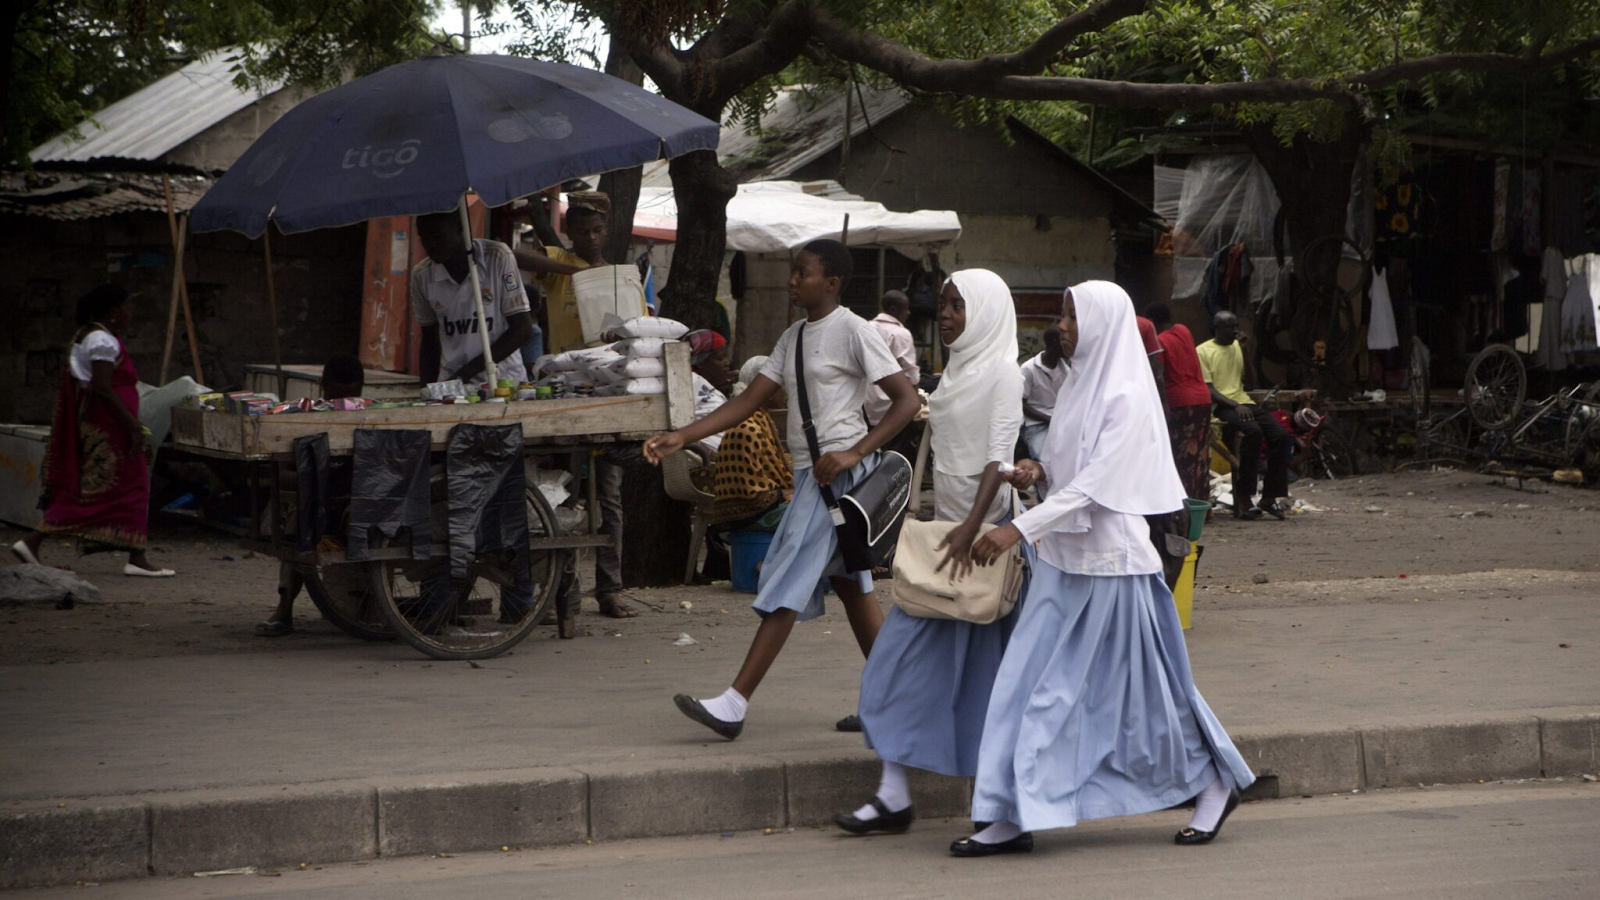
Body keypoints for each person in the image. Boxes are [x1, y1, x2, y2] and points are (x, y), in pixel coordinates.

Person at [953, 281, 1254, 858]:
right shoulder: (1078, 386)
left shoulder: (1127, 397)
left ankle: (1214, 783)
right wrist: (1036, 473)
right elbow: (1073, 472)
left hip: (1112, 569)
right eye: (1063, 315)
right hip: (1064, 562)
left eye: (1072, 315)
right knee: (1023, 687)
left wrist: (1018, 527)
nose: (1061, 326)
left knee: (1152, 697)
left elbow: (1100, 485)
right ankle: (1007, 812)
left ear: (1102, 324)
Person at [644, 239, 919, 740]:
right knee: (851, 588)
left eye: (802, 273)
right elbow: (750, 399)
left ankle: (734, 703)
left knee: (786, 579)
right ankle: (896, 703)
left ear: (831, 283)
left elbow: (906, 401)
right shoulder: (793, 336)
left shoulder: (856, 331)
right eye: (793, 272)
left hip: (838, 479)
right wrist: (683, 435)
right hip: (811, 475)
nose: (792, 280)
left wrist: (856, 452)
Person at [835, 269, 1034, 837]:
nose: (945, 316)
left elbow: (998, 460)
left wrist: (970, 529)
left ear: (988, 313)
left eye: (958, 306)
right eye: (944, 305)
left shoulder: (1001, 373)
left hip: (984, 553)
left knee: (998, 693)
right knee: (894, 670)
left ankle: (1006, 813)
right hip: (948, 546)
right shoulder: (959, 372)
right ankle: (893, 796)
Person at [516, 189, 642, 618]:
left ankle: (610, 590)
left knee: (609, 496)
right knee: (558, 495)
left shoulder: (620, 276)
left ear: (606, 232)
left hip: (606, 395)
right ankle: (558, 591)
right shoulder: (556, 264)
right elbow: (514, 256)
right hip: (562, 395)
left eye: (596, 230)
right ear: (569, 232)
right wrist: (566, 269)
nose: (589, 237)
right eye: (581, 230)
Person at [12, 286, 174, 577]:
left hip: (107, 424)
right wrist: (132, 424)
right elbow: (103, 388)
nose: (129, 314)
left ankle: (136, 555)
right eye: (125, 308)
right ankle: (35, 539)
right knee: (106, 489)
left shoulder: (91, 335)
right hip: (109, 428)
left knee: (132, 487)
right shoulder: (101, 340)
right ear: (113, 311)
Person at [254, 355, 364, 636]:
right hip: (317, 503)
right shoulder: (305, 420)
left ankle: (366, 603)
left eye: (348, 398)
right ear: (323, 388)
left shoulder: (370, 418)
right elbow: (287, 473)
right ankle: (284, 607)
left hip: (355, 504)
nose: (340, 405)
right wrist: (311, 479)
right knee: (297, 524)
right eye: (334, 397)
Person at [411, 212, 534, 386]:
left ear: (460, 229)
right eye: (424, 238)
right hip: (453, 385)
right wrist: (426, 391)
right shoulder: (422, 276)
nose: (430, 245)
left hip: (503, 382)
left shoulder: (498, 257)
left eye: (438, 236)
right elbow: (429, 342)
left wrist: (466, 373)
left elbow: (522, 329)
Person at [1197, 311, 1289, 520]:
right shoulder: (1202, 351)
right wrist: (1235, 406)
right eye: (1230, 327)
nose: (1235, 331)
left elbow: (1251, 383)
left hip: (1243, 401)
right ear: (1217, 328)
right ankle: (1244, 496)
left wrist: (1246, 352)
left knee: (1280, 435)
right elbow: (1209, 389)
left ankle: (1269, 497)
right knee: (1252, 432)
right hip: (1221, 405)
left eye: (1236, 326)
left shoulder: (1238, 347)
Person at [1146, 303, 1214, 506]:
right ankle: (1202, 506)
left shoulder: (1159, 342)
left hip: (1180, 402)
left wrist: (1162, 405)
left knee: (1180, 458)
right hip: (1202, 399)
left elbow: (1158, 373)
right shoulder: (1183, 330)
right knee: (1200, 457)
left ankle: (1182, 507)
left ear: (1152, 323)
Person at [864, 290, 920, 445]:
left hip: (864, 407)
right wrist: (915, 402)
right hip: (892, 408)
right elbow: (910, 373)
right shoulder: (901, 334)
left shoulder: (865, 328)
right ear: (895, 310)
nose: (908, 313)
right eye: (906, 309)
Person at [1018, 325, 1068, 482]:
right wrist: (1047, 419)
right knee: (1046, 462)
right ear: (1054, 342)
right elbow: (1021, 404)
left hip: (1058, 424)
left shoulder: (1066, 370)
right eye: (1063, 340)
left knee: (1066, 461)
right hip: (1036, 426)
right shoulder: (1029, 369)